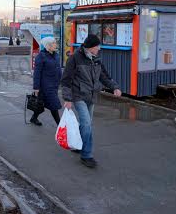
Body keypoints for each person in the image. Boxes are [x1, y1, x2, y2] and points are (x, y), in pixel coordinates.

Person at [61, 34, 121, 168]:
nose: (99, 49)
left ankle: (78, 144)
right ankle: (86, 155)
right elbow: (66, 80)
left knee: (85, 125)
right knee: (87, 124)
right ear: (91, 47)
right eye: (97, 46)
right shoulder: (75, 58)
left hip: (92, 96)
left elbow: (104, 76)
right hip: (78, 96)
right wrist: (68, 98)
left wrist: (115, 87)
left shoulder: (97, 59)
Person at [30, 37, 62, 126]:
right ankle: (60, 126)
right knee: (53, 105)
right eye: (54, 43)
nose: (56, 44)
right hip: (45, 86)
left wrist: (62, 80)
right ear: (48, 45)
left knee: (41, 103)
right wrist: (36, 87)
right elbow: (37, 73)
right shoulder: (41, 56)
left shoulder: (56, 55)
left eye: (55, 42)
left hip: (54, 84)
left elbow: (58, 69)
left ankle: (34, 118)